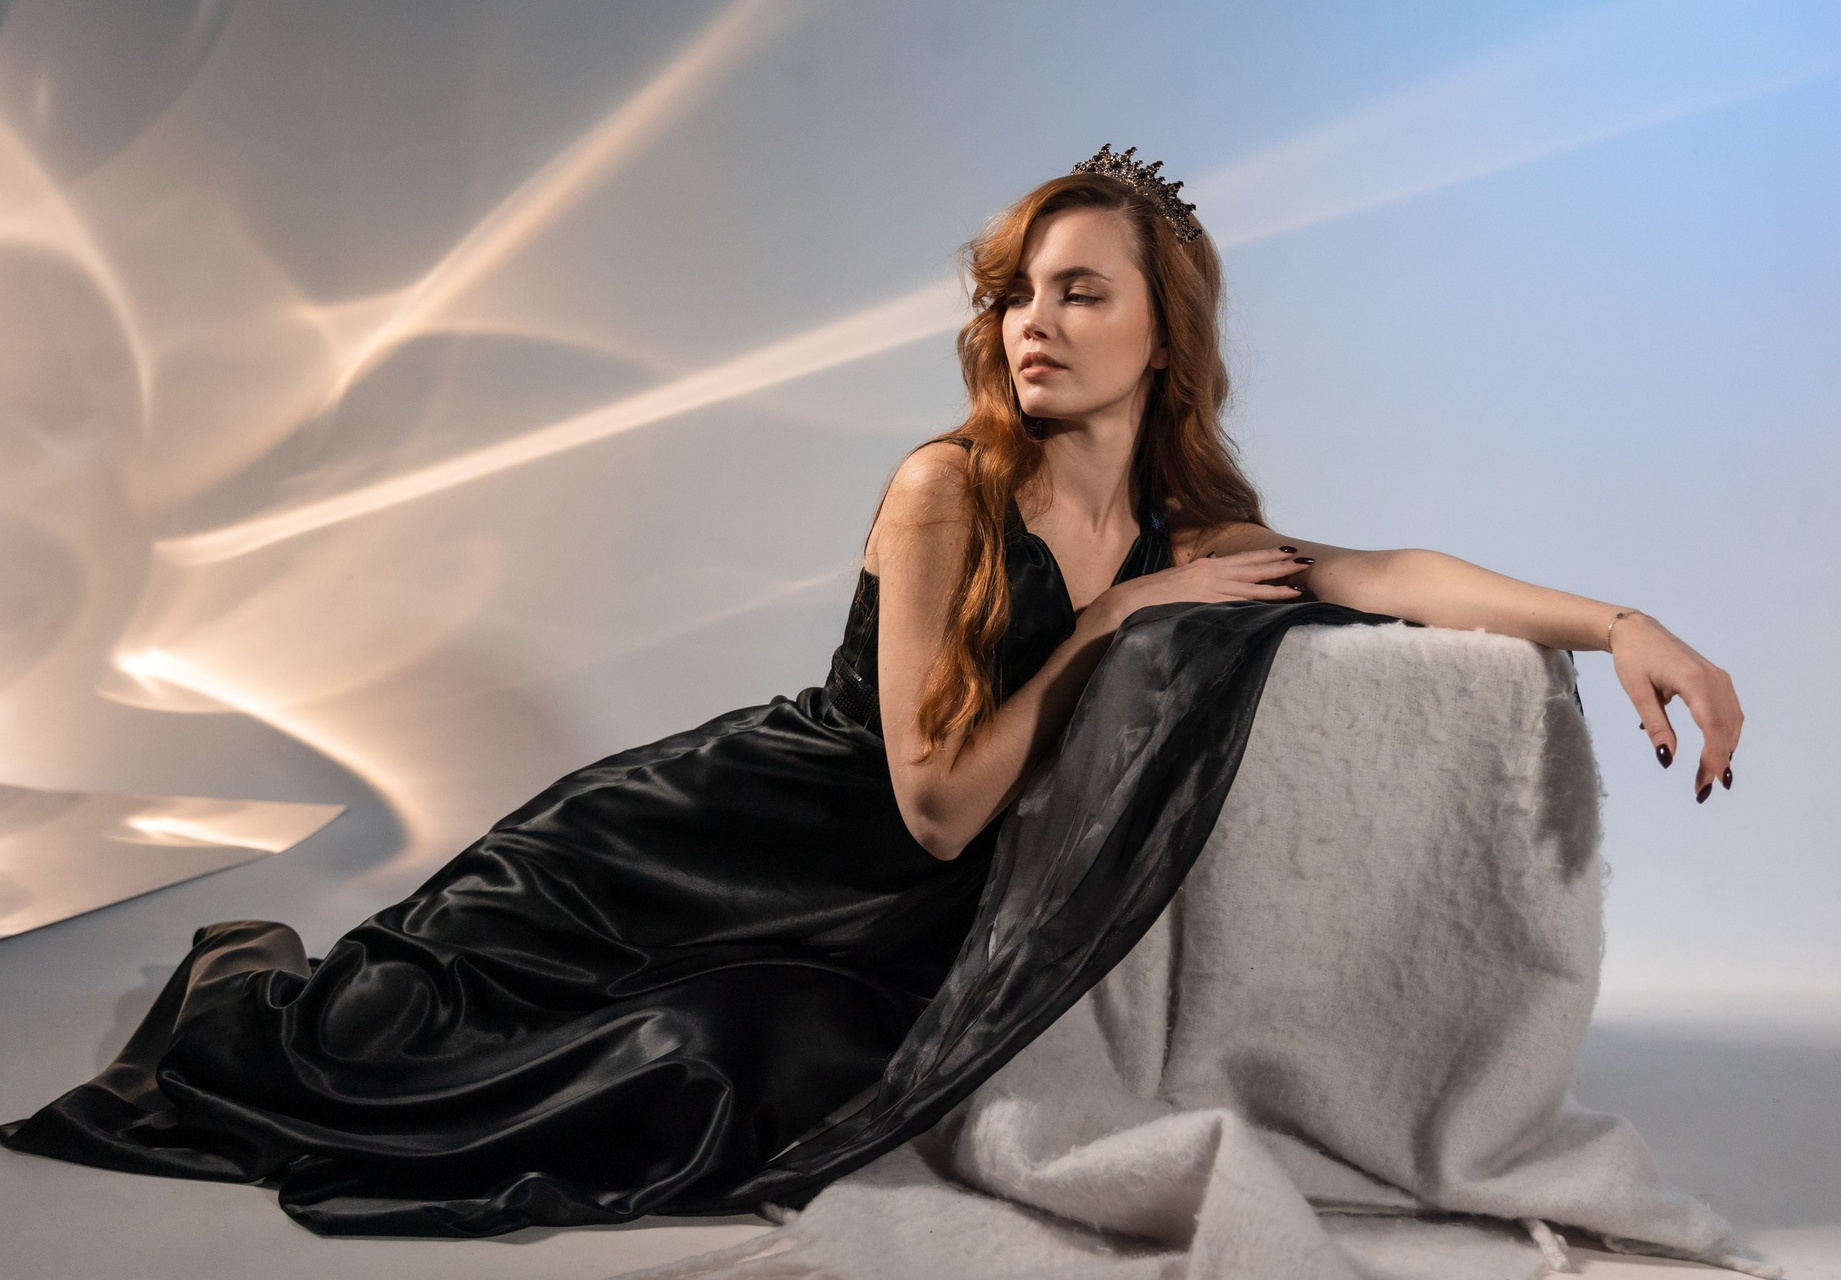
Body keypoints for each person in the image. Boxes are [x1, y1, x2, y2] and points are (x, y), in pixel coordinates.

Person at [0, 145, 1742, 1239]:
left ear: (1166, 333)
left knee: (763, 1068)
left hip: (858, 924)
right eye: (1015, 294)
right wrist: (1107, 626)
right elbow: (937, 807)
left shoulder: (1187, 525)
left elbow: (1381, 573)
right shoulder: (947, 490)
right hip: (691, 850)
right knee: (413, 1036)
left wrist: (1624, 622)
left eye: (1080, 292)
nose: (1031, 322)